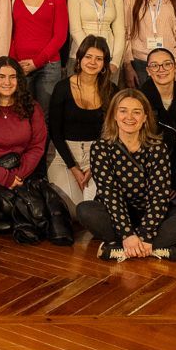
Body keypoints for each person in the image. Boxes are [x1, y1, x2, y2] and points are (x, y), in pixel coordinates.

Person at [80, 89, 176, 262]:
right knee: (85, 210)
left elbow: (159, 196)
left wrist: (145, 234)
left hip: (152, 215)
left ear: (145, 117)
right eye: (123, 111)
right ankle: (158, 248)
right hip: (117, 214)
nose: (129, 117)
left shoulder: (157, 148)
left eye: (136, 112)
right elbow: (110, 195)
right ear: (114, 115)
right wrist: (127, 233)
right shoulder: (101, 148)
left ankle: (121, 249)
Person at [0, 56, 58, 240]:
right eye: (1, 76)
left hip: (22, 172)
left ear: (19, 80)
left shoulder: (32, 107)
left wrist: (19, 174)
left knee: (35, 209)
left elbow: (37, 146)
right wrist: (5, 178)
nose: (7, 82)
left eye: (12, 77)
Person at [45, 36, 115, 217]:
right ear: (79, 59)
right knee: (75, 212)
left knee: (93, 210)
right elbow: (55, 132)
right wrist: (74, 168)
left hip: (98, 156)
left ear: (105, 64)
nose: (92, 62)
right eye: (88, 57)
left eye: (98, 59)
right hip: (64, 156)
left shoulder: (111, 90)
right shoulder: (62, 87)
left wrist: (96, 165)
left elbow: (112, 132)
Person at [7, 0, 67, 111]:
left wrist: (36, 62)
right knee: (20, 113)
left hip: (48, 66)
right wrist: (15, 63)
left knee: (45, 115)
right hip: (19, 65)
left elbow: (60, 36)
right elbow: (7, 33)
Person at [139, 47, 176, 201]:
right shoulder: (139, 101)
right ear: (148, 70)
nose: (161, 70)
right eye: (155, 65)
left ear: (175, 66)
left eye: (166, 64)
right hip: (147, 177)